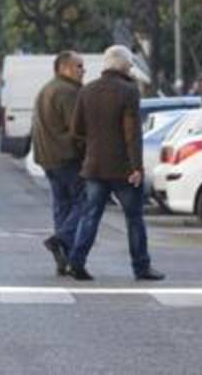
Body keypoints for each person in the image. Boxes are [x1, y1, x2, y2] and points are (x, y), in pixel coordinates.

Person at [65, 45, 164, 282]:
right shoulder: (128, 91)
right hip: (122, 168)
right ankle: (141, 267)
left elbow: (76, 129)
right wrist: (137, 167)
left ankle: (75, 262)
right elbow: (132, 134)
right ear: (121, 65)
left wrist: (91, 149)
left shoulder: (87, 90)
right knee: (134, 218)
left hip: (94, 166)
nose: (131, 68)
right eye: (129, 64)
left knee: (91, 215)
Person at [31, 51, 84, 275]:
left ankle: (63, 259)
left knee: (62, 207)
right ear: (64, 68)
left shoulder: (46, 89)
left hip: (48, 158)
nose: (83, 71)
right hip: (67, 157)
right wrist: (85, 152)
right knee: (86, 201)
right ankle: (61, 240)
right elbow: (79, 129)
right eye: (79, 66)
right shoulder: (68, 92)